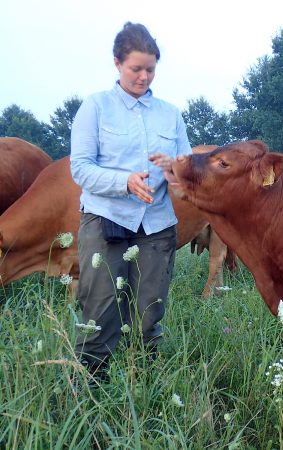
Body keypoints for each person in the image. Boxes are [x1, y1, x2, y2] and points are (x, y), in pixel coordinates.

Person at [70, 22, 191, 383]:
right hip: (106, 219)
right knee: (101, 313)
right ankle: (89, 393)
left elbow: (186, 169)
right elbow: (80, 169)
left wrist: (175, 168)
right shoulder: (95, 107)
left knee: (148, 315)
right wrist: (123, 182)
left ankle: (142, 390)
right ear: (117, 63)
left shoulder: (170, 114)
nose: (143, 76)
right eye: (135, 68)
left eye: (150, 69)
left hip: (156, 226)